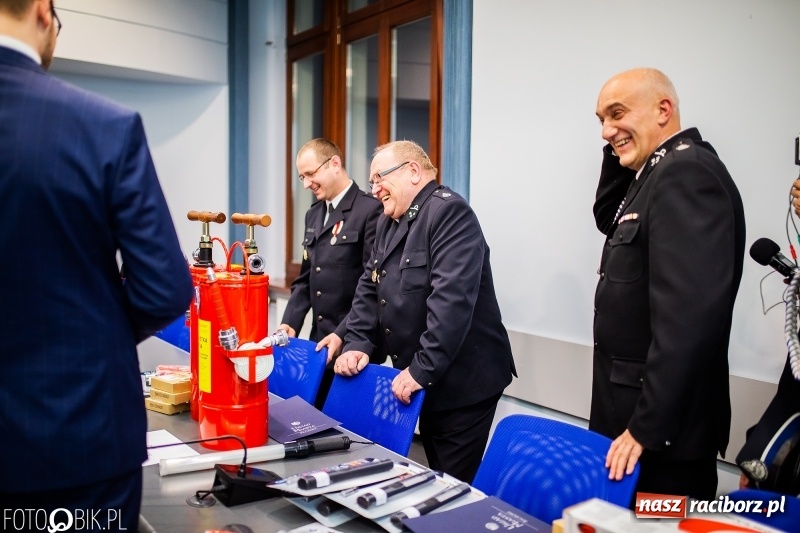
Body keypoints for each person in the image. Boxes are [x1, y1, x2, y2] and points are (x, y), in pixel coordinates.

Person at [0, 1, 194, 529]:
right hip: (78, 434)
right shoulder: (102, 126)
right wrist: (87, 336)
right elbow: (165, 289)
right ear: (42, 11)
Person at [590, 68, 746, 501]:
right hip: (633, 420)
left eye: (617, 113)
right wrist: (619, 141)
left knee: (656, 526)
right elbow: (607, 216)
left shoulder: (686, 171)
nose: (605, 130)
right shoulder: (657, 172)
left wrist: (646, 426)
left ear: (664, 110)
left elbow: (689, 321)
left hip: (660, 434)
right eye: (601, 120)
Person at [334, 140, 517, 483]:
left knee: (449, 484)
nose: (374, 190)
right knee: (433, 471)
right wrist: (357, 342)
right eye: (371, 182)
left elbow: (451, 302)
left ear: (414, 172)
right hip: (426, 377)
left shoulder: (449, 213)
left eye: (379, 179)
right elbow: (370, 286)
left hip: (463, 383)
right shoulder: (389, 220)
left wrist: (422, 368)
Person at [278, 138, 381, 408]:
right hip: (319, 344)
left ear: (335, 163)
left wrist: (342, 333)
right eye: (301, 177)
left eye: (310, 174)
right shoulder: (313, 215)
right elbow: (305, 279)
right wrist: (289, 323)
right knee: (313, 416)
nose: (306, 184)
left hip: (353, 344)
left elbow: (372, 286)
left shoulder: (370, 210)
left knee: (346, 423)